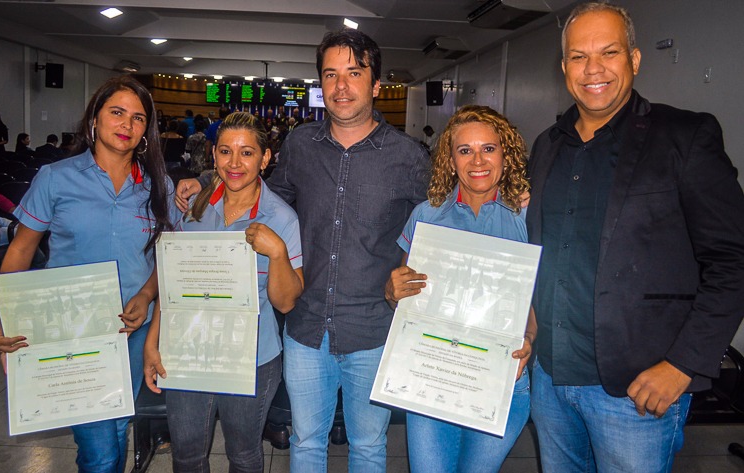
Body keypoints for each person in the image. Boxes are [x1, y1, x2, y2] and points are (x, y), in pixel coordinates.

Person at [175, 28, 429, 472]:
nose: (341, 85)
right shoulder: (300, 145)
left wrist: (509, 198)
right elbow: (262, 191)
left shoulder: (408, 157)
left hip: (373, 329)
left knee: (369, 446)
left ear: (375, 83)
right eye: (330, 75)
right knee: (306, 443)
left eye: (354, 73)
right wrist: (207, 181)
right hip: (306, 328)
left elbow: (440, 219)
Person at [526, 3, 744, 472]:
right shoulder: (546, 146)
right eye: (579, 56)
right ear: (564, 67)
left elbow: (733, 259)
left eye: (609, 52)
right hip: (550, 378)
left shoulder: (685, 137)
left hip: (636, 390)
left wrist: (683, 365)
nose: (593, 69)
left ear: (635, 59)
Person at [0, 75, 178, 473]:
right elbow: (21, 249)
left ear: (146, 130)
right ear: (94, 118)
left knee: (118, 427)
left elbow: (167, 255)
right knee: (102, 453)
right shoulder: (56, 178)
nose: (127, 124)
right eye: (117, 112)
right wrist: (1, 318)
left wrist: (146, 295)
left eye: (138, 118)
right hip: (71, 331)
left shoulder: (157, 185)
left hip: (134, 330)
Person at [144, 112, 304, 472]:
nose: (235, 163)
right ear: (213, 154)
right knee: (186, 454)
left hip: (253, 357)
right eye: (226, 151)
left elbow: (286, 302)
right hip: (186, 349)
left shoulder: (282, 218)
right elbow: (172, 285)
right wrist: (153, 342)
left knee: (244, 454)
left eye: (247, 153)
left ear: (265, 158)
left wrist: (278, 253)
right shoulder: (193, 209)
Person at [385, 105, 536, 472]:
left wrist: (529, 338)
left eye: (489, 148)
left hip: (501, 376)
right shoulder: (427, 214)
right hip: (433, 374)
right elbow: (406, 297)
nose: (477, 160)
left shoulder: (527, 216)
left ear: (505, 154)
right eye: (465, 150)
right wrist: (392, 291)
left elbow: (534, 300)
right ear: (450, 161)